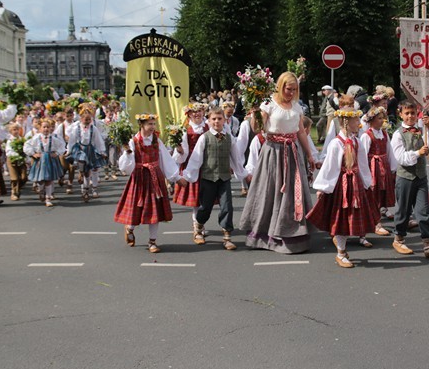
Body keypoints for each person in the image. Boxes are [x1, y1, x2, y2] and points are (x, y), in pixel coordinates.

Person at [239, 71, 316, 254]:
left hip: (292, 151)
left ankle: (291, 233)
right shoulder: (268, 104)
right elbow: (257, 128)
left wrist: (310, 154)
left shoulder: (297, 106)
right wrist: (256, 114)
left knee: (291, 193)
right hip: (273, 152)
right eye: (289, 89)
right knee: (270, 191)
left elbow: (301, 132)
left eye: (295, 89)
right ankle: (267, 235)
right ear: (281, 87)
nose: (291, 93)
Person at [307, 107, 377, 268]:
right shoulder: (336, 144)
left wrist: (367, 182)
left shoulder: (357, 142)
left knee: (352, 218)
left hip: (356, 184)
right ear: (346, 122)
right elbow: (330, 167)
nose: (359, 123)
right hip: (342, 186)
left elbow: (363, 165)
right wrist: (323, 187)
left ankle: (342, 249)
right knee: (341, 219)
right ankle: (341, 252)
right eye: (356, 120)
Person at [178, 106, 250, 250]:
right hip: (208, 178)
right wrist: (187, 176)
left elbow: (236, 158)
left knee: (227, 206)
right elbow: (196, 159)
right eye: (213, 119)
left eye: (219, 119)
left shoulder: (229, 138)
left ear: (224, 120)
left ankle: (227, 236)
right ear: (209, 121)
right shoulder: (204, 138)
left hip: (224, 178)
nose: (216, 122)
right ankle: (199, 227)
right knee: (205, 207)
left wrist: (244, 174)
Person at [115, 114, 179, 254]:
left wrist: (175, 177)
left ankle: (152, 241)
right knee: (136, 209)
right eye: (150, 124)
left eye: (153, 124)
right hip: (139, 178)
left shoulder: (157, 140)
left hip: (155, 177)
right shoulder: (134, 141)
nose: (152, 127)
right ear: (142, 125)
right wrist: (127, 152)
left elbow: (166, 160)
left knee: (154, 211)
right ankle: (129, 228)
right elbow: (125, 167)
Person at [389, 100, 429, 258]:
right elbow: (400, 158)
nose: (410, 116)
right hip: (405, 177)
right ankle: (399, 238)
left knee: (423, 211)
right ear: (400, 115)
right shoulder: (398, 135)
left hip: (420, 176)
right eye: (406, 113)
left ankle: (428, 243)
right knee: (403, 210)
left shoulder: (421, 130)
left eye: (413, 113)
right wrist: (418, 153)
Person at [359, 106, 395, 237]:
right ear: (372, 120)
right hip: (373, 168)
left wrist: (392, 168)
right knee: (373, 194)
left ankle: (377, 219)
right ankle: (375, 223)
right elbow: (363, 156)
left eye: (383, 118)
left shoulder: (384, 134)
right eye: (379, 118)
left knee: (381, 194)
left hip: (383, 167)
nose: (382, 121)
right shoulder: (367, 136)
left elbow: (389, 151)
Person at [67, 106, 106, 202]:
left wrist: (102, 151)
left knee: (90, 171)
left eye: (89, 119)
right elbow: (72, 140)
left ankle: (89, 189)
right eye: (85, 119)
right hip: (80, 149)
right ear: (81, 118)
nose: (87, 121)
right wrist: (68, 150)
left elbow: (98, 140)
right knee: (83, 166)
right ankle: (83, 184)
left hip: (90, 150)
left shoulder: (93, 129)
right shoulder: (77, 128)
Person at [24, 118, 65, 208]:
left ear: (50, 128)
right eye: (44, 127)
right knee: (41, 179)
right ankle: (41, 190)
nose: (46, 129)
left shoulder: (53, 138)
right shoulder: (36, 138)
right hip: (40, 160)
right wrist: (33, 154)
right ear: (40, 128)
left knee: (49, 179)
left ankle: (48, 198)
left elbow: (62, 146)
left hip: (50, 160)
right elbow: (27, 145)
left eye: (48, 127)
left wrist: (57, 153)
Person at [5, 123, 28, 201]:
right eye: (14, 130)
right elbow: (8, 151)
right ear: (11, 131)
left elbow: (26, 149)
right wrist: (16, 155)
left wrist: (25, 156)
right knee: (14, 178)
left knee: (24, 177)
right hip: (12, 160)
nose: (16, 131)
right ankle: (14, 192)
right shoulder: (10, 140)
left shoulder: (22, 139)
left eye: (17, 129)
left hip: (21, 160)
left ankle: (18, 188)